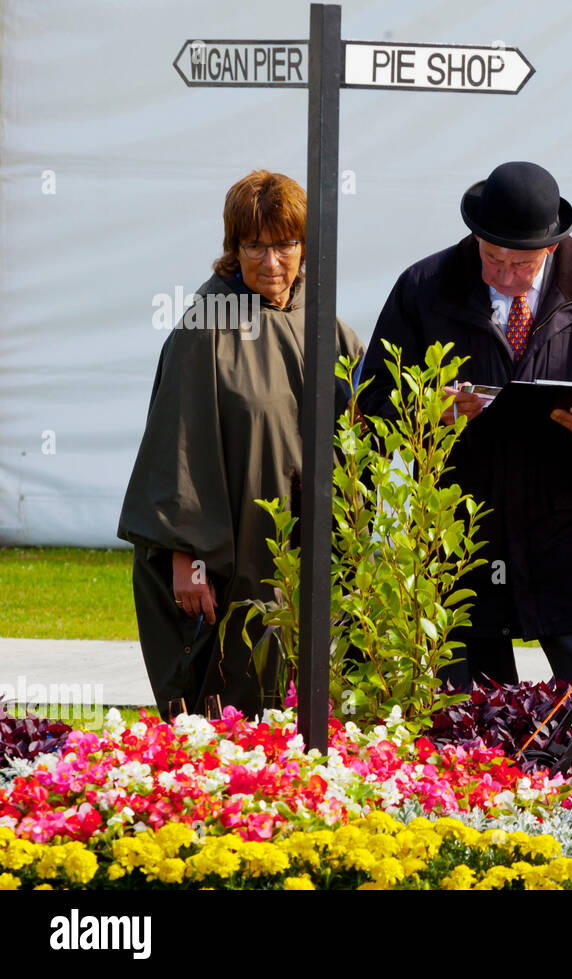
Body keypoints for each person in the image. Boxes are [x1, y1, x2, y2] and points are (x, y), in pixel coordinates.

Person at [357, 161, 572, 687]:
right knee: (468, 730)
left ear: (550, 248)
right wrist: (423, 412)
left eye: (520, 264)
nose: (503, 275)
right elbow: (372, 406)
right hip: (460, 541)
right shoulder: (424, 286)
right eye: (491, 258)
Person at [118, 170, 364, 719]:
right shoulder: (205, 329)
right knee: (234, 700)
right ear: (234, 247)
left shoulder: (323, 323)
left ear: (305, 246)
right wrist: (190, 563)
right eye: (255, 245)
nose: (271, 262)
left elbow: (368, 423)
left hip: (304, 550)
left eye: (285, 245)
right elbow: (178, 451)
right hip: (234, 560)